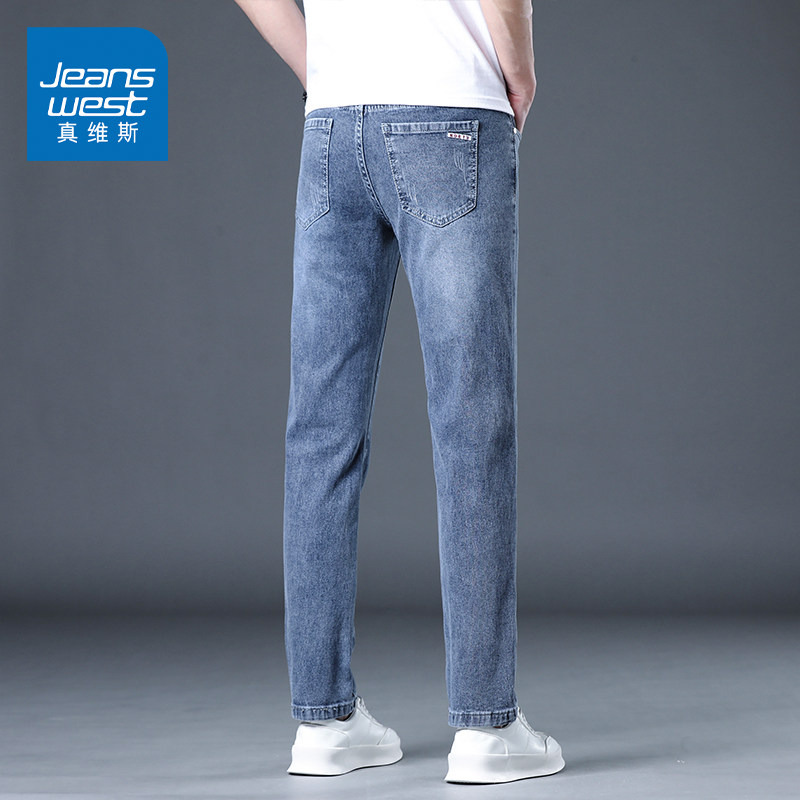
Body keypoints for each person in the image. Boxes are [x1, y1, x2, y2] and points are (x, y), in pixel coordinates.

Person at [233, 0, 565, 784]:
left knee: (320, 433)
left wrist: (326, 71)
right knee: (471, 424)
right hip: (451, 106)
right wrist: (519, 71)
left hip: (333, 124)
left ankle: (323, 724)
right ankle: (485, 728)